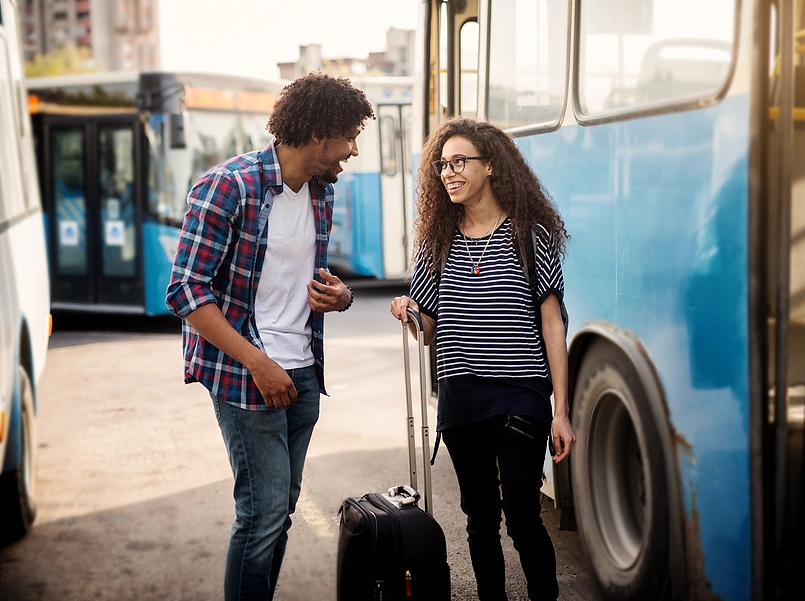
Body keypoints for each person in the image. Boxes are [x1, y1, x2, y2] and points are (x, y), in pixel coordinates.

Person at [166, 72, 374, 601]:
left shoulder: (320, 192)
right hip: (247, 376)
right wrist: (259, 362)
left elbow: (309, 280)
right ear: (320, 132)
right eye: (349, 135)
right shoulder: (228, 186)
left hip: (303, 373)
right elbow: (187, 292)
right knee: (260, 517)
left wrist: (342, 297)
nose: (352, 150)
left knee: (278, 515)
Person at [389, 117, 576, 601]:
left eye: (459, 162)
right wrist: (410, 312)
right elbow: (429, 329)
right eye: (442, 164)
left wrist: (561, 411)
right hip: (461, 398)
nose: (448, 172)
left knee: (521, 514)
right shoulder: (436, 244)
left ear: (490, 166)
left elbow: (552, 323)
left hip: (520, 395)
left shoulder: (529, 236)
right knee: (479, 520)